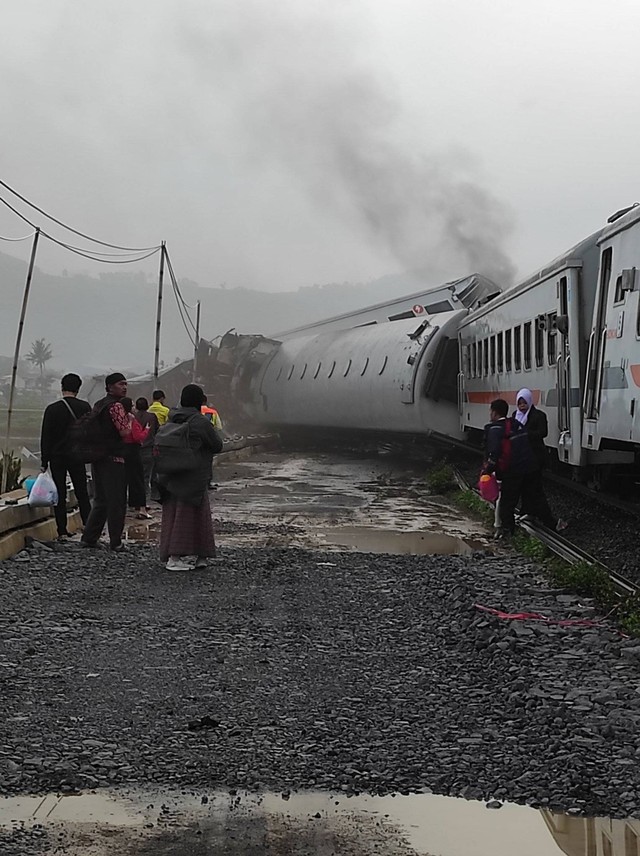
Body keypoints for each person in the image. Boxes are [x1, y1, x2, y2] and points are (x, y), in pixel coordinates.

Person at [157, 384, 223, 571]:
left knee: (173, 516)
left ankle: (174, 555)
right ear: (199, 402)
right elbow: (217, 445)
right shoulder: (200, 422)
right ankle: (192, 558)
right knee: (197, 517)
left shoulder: (171, 418)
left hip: (170, 475)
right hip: (194, 475)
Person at [483, 398, 550, 539]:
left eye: (490, 411)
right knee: (535, 495)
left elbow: (494, 454)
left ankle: (508, 531)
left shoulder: (495, 429)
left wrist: (487, 470)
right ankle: (551, 524)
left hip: (511, 471)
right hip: (529, 467)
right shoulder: (515, 423)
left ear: (494, 412)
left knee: (507, 502)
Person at [80, 372, 131, 551]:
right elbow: (125, 433)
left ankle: (89, 538)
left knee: (100, 500)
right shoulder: (116, 406)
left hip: (98, 458)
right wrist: (130, 420)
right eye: (120, 384)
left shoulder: (99, 405)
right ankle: (116, 542)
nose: (124, 387)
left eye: (125, 384)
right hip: (114, 459)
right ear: (110, 387)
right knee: (116, 500)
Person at [39, 373, 92, 540]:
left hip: (57, 457)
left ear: (62, 387)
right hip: (77, 456)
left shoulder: (52, 409)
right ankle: (89, 528)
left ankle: (61, 531)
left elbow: (46, 436)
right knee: (82, 492)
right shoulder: (84, 407)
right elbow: (90, 433)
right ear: (78, 388)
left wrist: (44, 461)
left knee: (59, 493)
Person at [512, 387, 567, 531]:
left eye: (524, 402)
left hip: (535, 457)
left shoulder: (538, 415)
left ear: (530, 401)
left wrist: (525, 434)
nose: (522, 406)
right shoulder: (515, 415)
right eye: (520, 403)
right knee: (527, 486)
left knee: (534, 488)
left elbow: (543, 433)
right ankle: (529, 512)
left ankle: (549, 520)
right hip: (521, 458)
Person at [121, 397, 150, 519]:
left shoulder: (119, 420)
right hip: (133, 450)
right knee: (138, 479)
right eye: (132, 405)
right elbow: (138, 437)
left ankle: (128, 505)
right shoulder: (132, 420)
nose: (134, 408)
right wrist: (146, 430)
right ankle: (142, 509)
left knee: (124, 480)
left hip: (122, 451)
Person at [134, 397, 159, 506]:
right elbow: (157, 430)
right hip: (149, 449)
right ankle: (145, 501)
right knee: (147, 476)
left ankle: (135, 500)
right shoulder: (152, 417)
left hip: (135, 450)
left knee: (136, 476)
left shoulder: (132, 417)